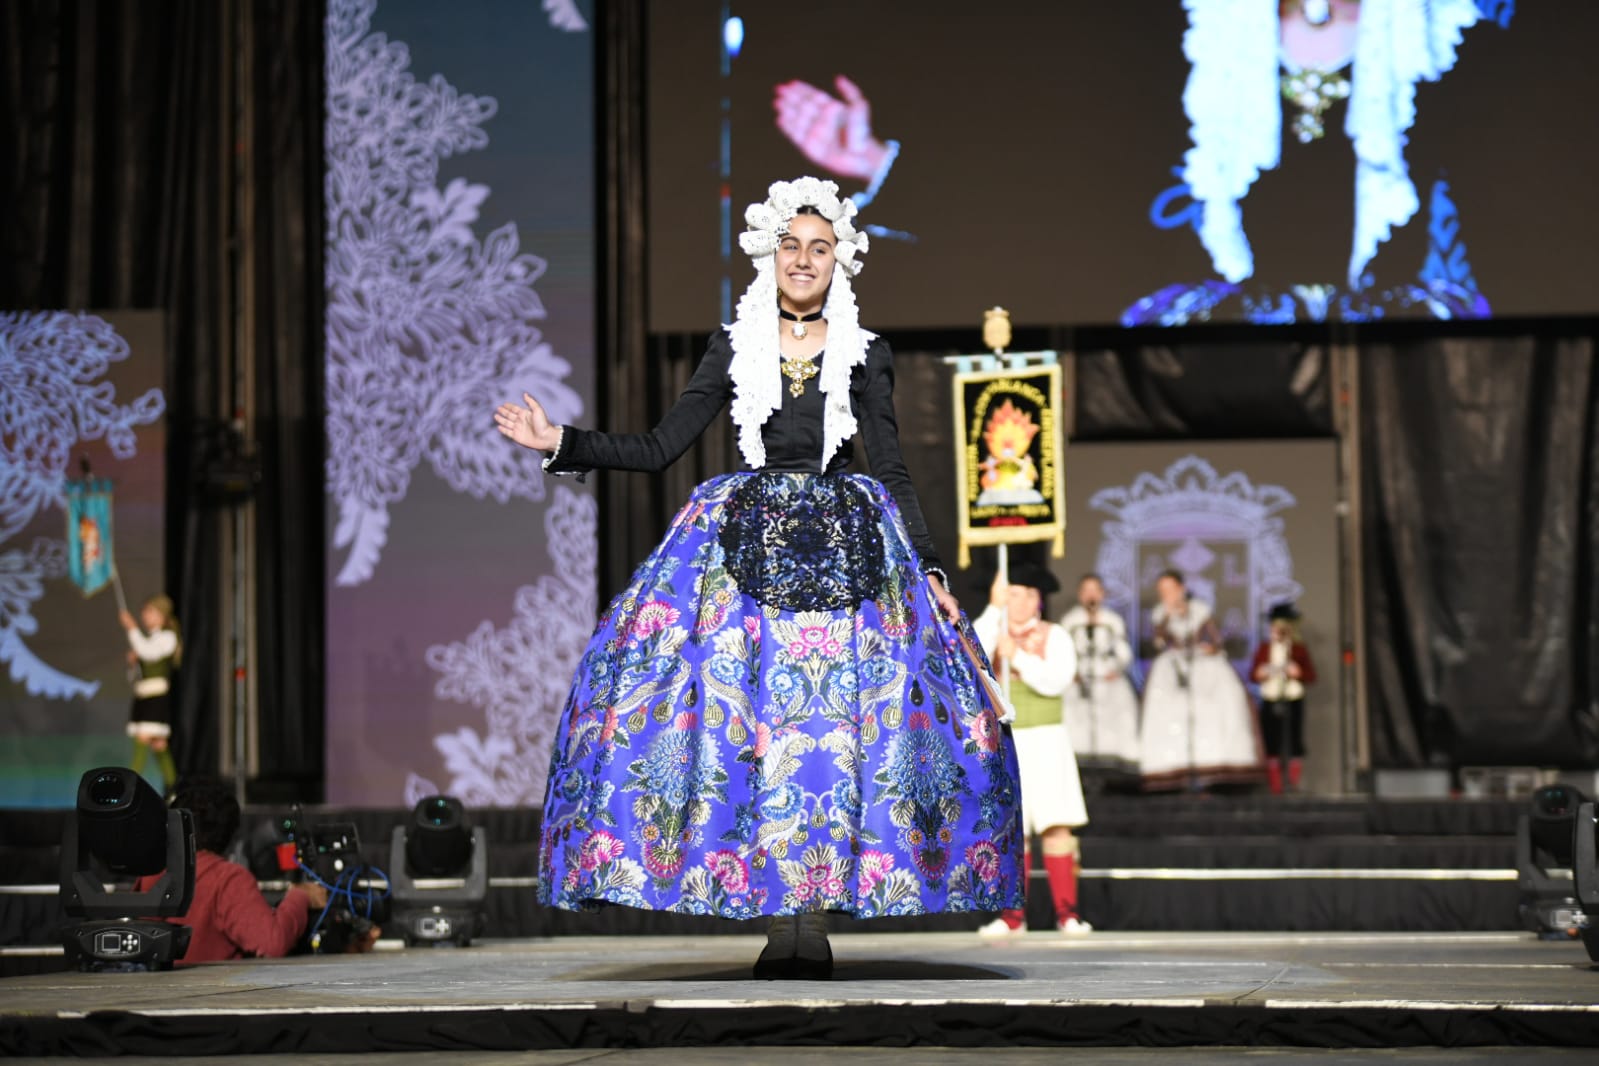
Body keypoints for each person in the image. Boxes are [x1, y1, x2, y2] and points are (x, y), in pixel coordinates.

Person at [496, 177, 1023, 979]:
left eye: (818, 248)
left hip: (851, 547)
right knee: (749, 727)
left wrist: (929, 571)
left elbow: (892, 466)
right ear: (769, 255)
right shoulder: (732, 343)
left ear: (838, 260)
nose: (803, 260)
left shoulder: (865, 352)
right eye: (791, 246)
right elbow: (659, 446)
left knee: (838, 734)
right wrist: (559, 441)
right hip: (742, 550)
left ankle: (812, 920)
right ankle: (780, 922)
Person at [972, 562, 1091, 936]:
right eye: (1012, 594)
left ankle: (1067, 914)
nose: (1018, 601)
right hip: (1009, 740)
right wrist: (993, 610)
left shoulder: (1055, 636)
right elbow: (968, 654)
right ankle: (1012, 918)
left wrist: (1018, 657)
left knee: (1056, 824)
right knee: (1012, 829)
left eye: (1025, 594)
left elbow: (1056, 681)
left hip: (1048, 738)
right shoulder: (993, 631)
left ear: (1038, 599)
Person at [134, 780, 330, 965]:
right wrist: (300, 896)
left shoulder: (150, 873)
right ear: (230, 831)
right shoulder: (226, 878)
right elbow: (272, 942)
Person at [1138, 571, 1263, 791]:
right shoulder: (1159, 614)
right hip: (1173, 668)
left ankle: (1209, 772)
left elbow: (1216, 640)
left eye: (1170, 589)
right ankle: (1175, 771)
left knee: (1209, 713)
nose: (1166, 594)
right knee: (1171, 713)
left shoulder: (1199, 610)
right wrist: (1168, 615)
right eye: (1162, 591)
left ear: (1181, 589)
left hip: (1203, 667)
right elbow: (1158, 642)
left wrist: (1209, 648)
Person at [1060, 574, 1142, 786]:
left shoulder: (1112, 620)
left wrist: (1117, 667)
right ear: (1080, 594)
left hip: (1106, 677)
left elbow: (1123, 650)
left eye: (1095, 590)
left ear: (1102, 594)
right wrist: (1072, 672)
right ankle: (1082, 771)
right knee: (1076, 720)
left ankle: (1111, 771)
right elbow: (1063, 650)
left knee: (1115, 718)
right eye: (1086, 590)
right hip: (1080, 679)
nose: (1091, 595)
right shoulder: (1071, 620)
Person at [1251, 602, 1318, 794]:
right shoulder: (1265, 649)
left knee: (1294, 740)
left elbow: (1311, 675)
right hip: (1271, 698)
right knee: (1271, 741)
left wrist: (1298, 672)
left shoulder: (1298, 649)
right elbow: (1253, 674)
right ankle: (1275, 786)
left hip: (1293, 698)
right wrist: (1261, 673)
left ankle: (1293, 784)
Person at [120, 595, 181, 795]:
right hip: (144, 696)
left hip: (156, 697)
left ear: (162, 616)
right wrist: (133, 663)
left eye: (150, 611)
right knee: (159, 745)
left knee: (143, 739)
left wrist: (132, 628)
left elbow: (149, 652)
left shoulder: (167, 637)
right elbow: (137, 672)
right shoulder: (151, 639)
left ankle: (127, 791)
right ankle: (174, 792)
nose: (145, 615)